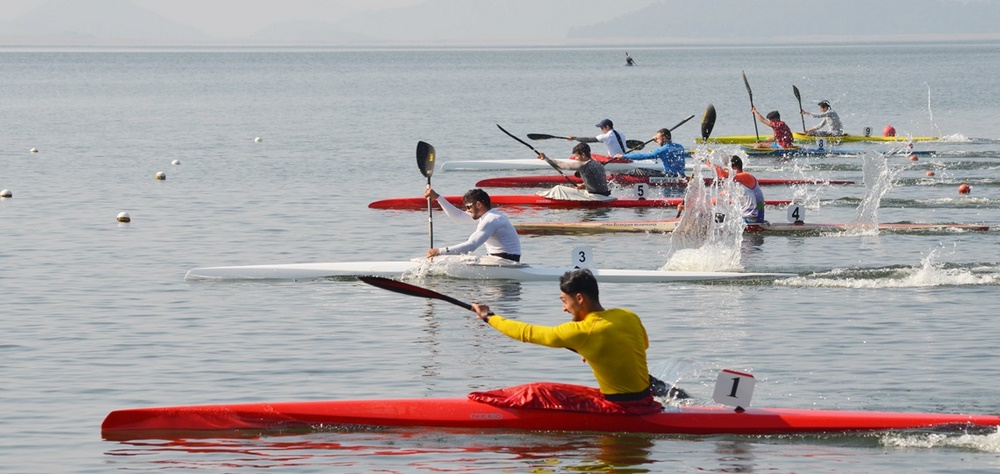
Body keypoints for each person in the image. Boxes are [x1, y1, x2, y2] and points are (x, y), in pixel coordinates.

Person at [470, 268, 661, 408]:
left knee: (536, 391)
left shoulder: (582, 330)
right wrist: (600, 352)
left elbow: (526, 333)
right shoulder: (627, 315)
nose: (564, 308)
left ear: (579, 299)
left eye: (564, 301)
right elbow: (641, 346)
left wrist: (489, 316)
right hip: (645, 400)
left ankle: (480, 408)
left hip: (621, 410)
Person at [424, 187, 521, 262]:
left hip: (505, 262)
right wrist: (438, 198)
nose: (467, 210)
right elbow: (458, 216)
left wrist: (439, 252)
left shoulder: (491, 219)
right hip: (501, 260)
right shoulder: (488, 216)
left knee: (450, 260)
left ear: (478, 204)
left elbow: (471, 245)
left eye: (468, 206)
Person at [537, 143, 611, 199]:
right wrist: (584, 185)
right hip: (604, 194)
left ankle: (540, 198)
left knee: (558, 188)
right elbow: (597, 181)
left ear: (583, 154)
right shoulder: (598, 164)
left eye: (576, 156)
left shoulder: (583, 164)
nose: (575, 158)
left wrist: (546, 158)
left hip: (595, 197)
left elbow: (561, 165)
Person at [706, 155, 765, 224]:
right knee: (708, 215)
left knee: (708, 218)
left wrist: (705, 161)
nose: (724, 171)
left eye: (726, 169)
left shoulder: (747, 177)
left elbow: (723, 174)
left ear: (734, 169)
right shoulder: (736, 183)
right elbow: (716, 199)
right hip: (743, 217)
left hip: (752, 219)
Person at [612, 127, 688, 177]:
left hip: (669, 176)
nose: (657, 140)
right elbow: (666, 149)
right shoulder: (679, 146)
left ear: (664, 138)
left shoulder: (662, 150)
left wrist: (623, 156)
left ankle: (620, 178)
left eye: (657, 138)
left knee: (637, 170)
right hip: (681, 176)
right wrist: (658, 139)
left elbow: (643, 156)